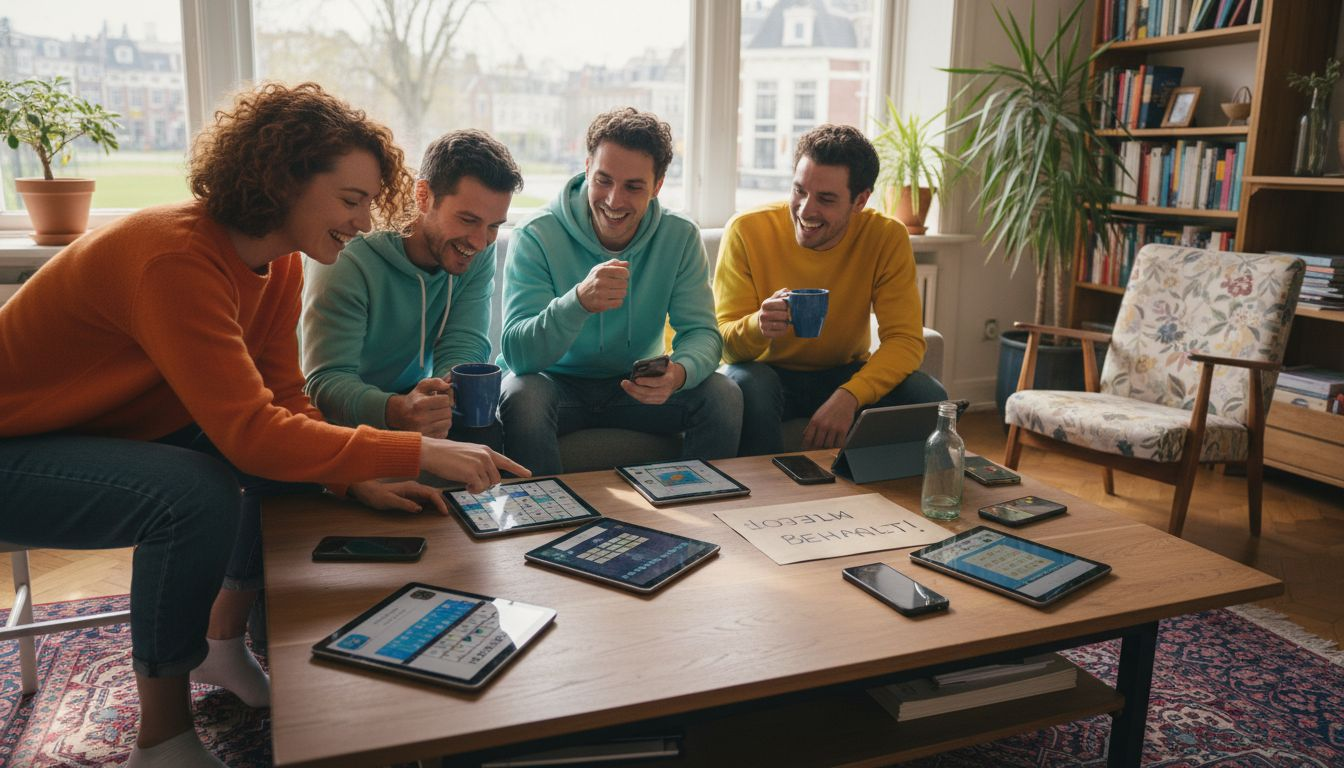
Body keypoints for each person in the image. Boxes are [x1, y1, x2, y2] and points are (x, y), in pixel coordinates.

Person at [0, 82, 526, 768]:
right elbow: (251, 432)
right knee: (191, 491)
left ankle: (221, 647)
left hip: (93, 431)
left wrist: (352, 481)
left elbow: (282, 402)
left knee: (259, 459)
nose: (365, 222)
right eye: (350, 200)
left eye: (368, 202)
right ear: (282, 181)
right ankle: (160, 739)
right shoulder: (174, 256)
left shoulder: (277, 266)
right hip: (17, 446)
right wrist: (411, 448)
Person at [497, 107, 741, 475]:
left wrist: (677, 374)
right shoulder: (536, 234)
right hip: (554, 384)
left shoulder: (679, 236)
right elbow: (518, 355)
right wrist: (576, 303)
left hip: (635, 386)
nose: (613, 200)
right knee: (521, 395)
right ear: (586, 169)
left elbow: (703, 334)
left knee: (723, 396)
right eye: (604, 180)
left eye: (633, 186)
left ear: (657, 186)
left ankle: (698, 516)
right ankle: (547, 525)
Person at [714, 124, 948, 456]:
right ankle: (763, 496)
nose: (806, 210)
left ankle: (888, 500)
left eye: (825, 199)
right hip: (768, 373)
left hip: (843, 372)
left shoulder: (886, 236)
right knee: (749, 382)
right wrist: (758, 326)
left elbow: (905, 340)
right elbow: (724, 345)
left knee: (927, 394)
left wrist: (851, 395)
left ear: (860, 201)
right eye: (799, 191)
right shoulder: (746, 229)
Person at [301, 129, 523, 449]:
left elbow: (464, 339)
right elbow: (323, 381)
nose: (479, 241)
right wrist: (396, 411)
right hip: (343, 407)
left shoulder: (476, 249)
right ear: (423, 196)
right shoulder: (348, 253)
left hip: (410, 395)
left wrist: (444, 393)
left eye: (493, 226)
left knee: (484, 432)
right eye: (467, 219)